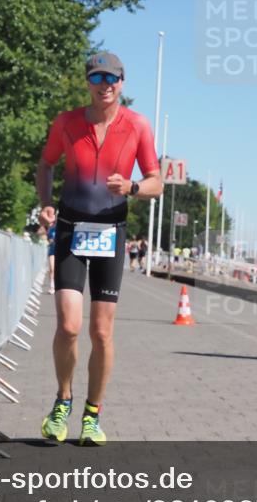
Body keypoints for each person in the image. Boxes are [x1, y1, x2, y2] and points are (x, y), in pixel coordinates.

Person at [35, 51, 162, 446]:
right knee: (69, 327)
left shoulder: (138, 126)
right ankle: (62, 401)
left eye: (112, 78)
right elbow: (45, 164)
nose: (104, 85)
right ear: (87, 82)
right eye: (97, 78)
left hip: (112, 230)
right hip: (72, 227)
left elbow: (157, 182)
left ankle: (92, 414)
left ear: (122, 82)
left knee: (101, 332)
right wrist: (45, 204)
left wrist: (134, 188)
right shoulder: (67, 123)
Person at [39, 206, 57, 294]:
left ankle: (58, 285)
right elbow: (48, 238)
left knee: (59, 270)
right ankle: (51, 286)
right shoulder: (51, 228)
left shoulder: (62, 228)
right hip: (52, 250)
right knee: (52, 268)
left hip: (61, 250)